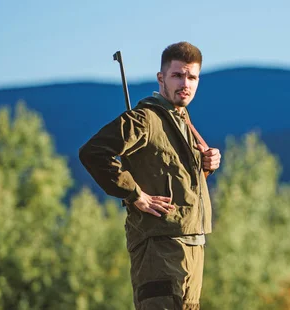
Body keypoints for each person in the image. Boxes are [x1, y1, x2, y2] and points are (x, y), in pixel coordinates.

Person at [79, 41, 221, 310]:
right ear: (161, 78)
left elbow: (173, 178)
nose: (185, 84)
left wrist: (206, 165)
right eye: (177, 75)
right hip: (160, 248)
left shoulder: (182, 122)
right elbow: (93, 152)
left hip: (193, 247)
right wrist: (135, 195)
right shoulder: (146, 119)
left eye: (192, 77)